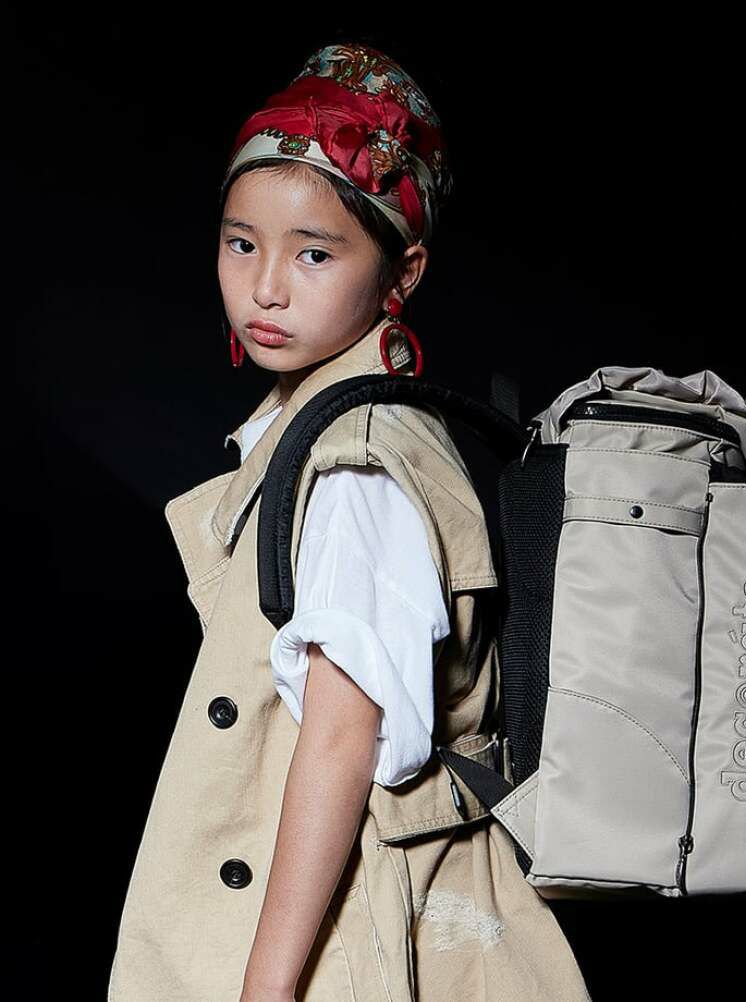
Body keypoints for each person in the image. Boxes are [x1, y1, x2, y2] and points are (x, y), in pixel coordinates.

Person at [107, 40, 593, 1001]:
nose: (267, 286)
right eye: (241, 242)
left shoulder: (358, 464)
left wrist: (266, 988)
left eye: (315, 253)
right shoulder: (334, 430)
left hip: (346, 937)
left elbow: (341, 740)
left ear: (401, 273)